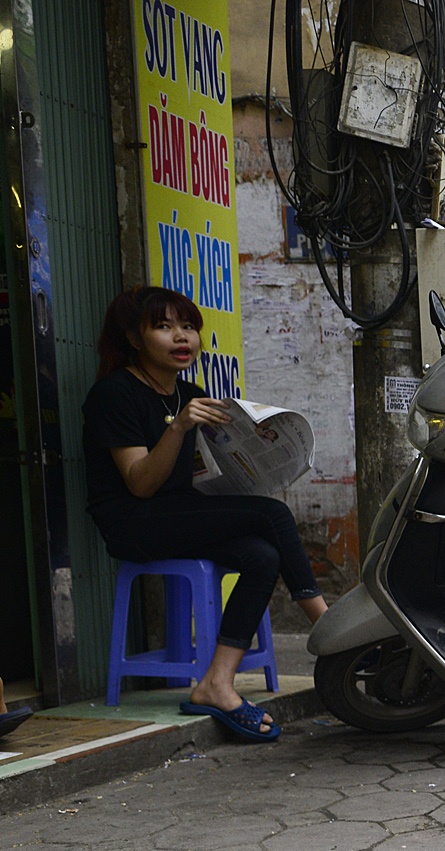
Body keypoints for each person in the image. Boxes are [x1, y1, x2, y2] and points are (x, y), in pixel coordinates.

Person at [82, 287, 328, 742]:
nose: (182, 337)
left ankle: (216, 683)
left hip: (178, 511)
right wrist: (179, 426)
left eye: (189, 327)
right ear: (136, 339)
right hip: (134, 522)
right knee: (272, 515)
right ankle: (329, 631)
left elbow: (198, 478)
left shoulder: (189, 392)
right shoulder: (113, 395)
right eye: (164, 326)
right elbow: (140, 484)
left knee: (261, 555)